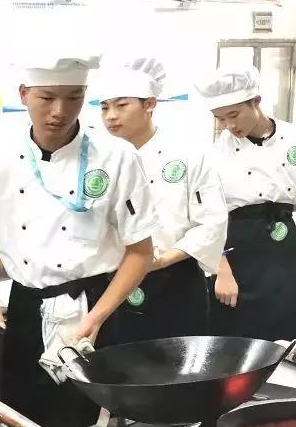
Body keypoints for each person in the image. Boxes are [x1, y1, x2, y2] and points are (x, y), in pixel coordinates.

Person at [0, 53, 157, 427]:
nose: (60, 111)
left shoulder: (117, 157)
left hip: (91, 306)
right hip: (25, 307)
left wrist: (97, 318)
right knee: (23, 425)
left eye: (74, 98)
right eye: (47, 98)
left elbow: (140, 252)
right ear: (23, 94)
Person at [94, 57, 227, 340]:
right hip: (113, 281)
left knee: (179, 360)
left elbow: (211, 222)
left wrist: (162, 260)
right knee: (118, 360)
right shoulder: (97, 160)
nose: (111, 116)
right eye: (104, 107)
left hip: (176, 279)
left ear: (150, 104)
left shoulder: (189, 154)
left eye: (121, 105)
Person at [196, 67, 296, 342]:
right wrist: (221, 269)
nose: (229, 125)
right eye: (220, 118)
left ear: (256, 101)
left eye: (233, 115)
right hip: (235, 246)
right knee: (232, 334)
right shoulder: (215, 153)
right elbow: (209, 217)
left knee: (283, 329)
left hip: (283, 247)